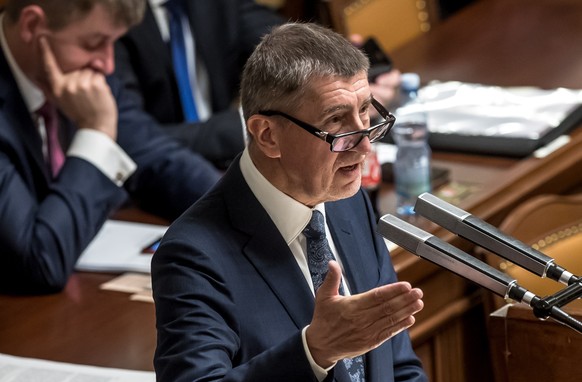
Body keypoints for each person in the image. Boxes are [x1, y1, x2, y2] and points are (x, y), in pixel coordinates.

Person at [152, 22, 428, 382]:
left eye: (365, 112)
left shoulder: (348, 199)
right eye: (336, 122)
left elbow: (400, 368)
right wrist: (313, 353)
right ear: (268, 135)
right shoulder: (193, 255)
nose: (364, 147)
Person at [0, 0, 221, 295]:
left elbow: (160, 158)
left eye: (113, 44)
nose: (107, 64)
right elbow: (39, 262)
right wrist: (96, 132)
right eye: (94, 43)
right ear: (32, 26)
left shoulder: (85, 72)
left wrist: (243, 211)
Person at [113, 0, 402, 170]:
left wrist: (342, 85)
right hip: (142, 195)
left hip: (232, 167)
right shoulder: (108, 21)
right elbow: (129, 139)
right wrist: (256, 125)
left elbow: (281, 42)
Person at [113, 0, 284, 170]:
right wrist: (240, 128)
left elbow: (295, 50)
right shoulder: (113, 16)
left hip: (230, 167)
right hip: (154, 180)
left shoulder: (219, 5)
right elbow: (131, 138)